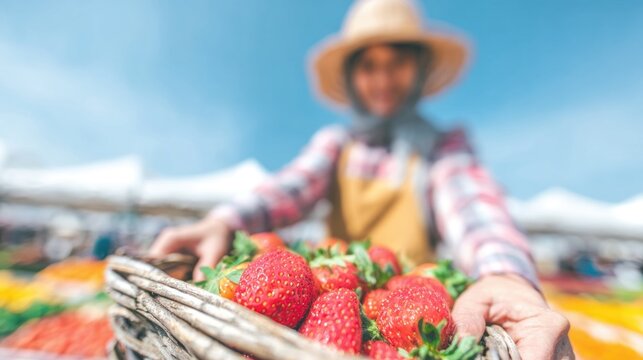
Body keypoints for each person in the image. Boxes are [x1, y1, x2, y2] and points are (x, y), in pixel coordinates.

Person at [150, 0, 574, 358]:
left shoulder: (444, 146)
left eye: (398, 63)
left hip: (408, 309)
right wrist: (225, 221)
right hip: (331, 297)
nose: (384, 78)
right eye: (369, 66)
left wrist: (505, 275)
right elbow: (291, 188)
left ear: (419, 70)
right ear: (353, 77)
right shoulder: (337, 143)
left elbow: (474, 208)